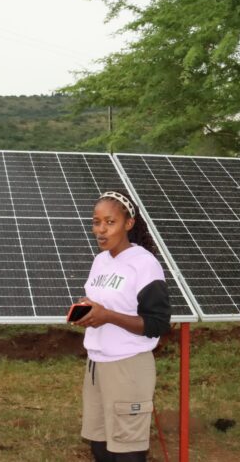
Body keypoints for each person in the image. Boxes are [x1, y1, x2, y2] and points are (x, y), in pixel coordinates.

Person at [72, 190, 171, 462]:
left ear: (129, 224)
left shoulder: (144, 265)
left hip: (128, 367)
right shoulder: (100, 261)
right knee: (99, 445)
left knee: (128, 451)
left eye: (110, 222)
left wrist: (107, 316)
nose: (101, 230)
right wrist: (89, 311)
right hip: (96, 364)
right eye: (96, 222)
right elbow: (103, 303)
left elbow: (158, 323)